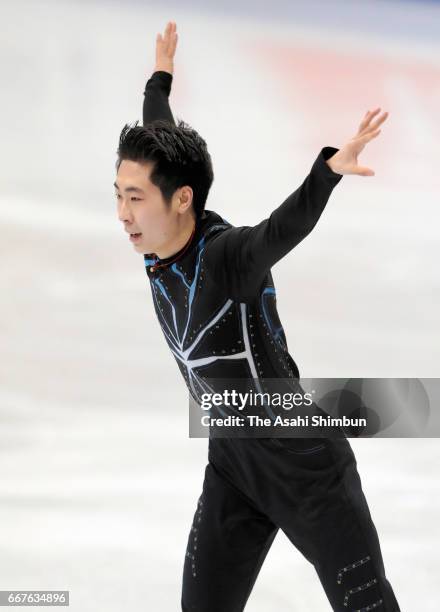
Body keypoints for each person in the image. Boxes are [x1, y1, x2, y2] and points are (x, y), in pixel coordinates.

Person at [114, 21, 400, 612]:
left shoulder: (226, 258)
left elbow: (280, 230)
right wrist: (160, 77)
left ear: (182, 198)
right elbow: (158, 132)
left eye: (135, 197)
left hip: (308, 473)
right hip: (234, 466)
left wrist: (326, 172)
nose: (123, 214)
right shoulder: (163, 223)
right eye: (118, 194)